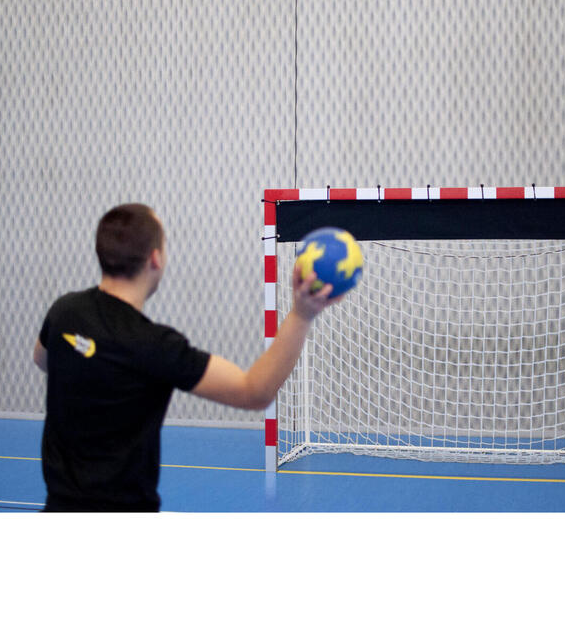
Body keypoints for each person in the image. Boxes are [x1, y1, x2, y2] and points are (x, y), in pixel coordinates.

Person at [33, 203, 340, 512]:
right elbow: (255, 392)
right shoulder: (154, 346)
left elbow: (43, 359)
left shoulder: (64, 312)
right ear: (156, 258)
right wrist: (302, 313)